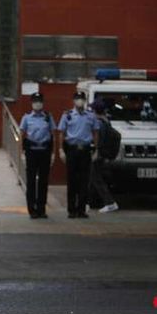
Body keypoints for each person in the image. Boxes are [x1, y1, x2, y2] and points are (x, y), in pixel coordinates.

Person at [57, 91, 99, 219]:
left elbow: (96, 132)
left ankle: (81, 210)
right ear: (74, 101)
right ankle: (71, 210)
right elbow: (61, 133)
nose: (79, 101)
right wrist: (60, 150)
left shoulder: (91, 116)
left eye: (81, 99)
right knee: (72, 180)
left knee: (84, 181)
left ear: (85, 101)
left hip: (85, 150)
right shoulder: (68, 115)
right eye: (77, 99)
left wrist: (96, 149)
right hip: (72, 150)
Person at [19, 92, 57, 219]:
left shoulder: (48, 117)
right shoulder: (27, 118)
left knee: (43, 181)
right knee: (31, 181)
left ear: (43, 103)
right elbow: (22, 135)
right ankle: (32, 209)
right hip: (32, 151)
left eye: (39, 101)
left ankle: (41, 208)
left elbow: (53, 135)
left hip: (44, 151)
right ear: (32, 103)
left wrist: (53, 153)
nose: (37, 103)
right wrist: (22, 153)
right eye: (35, 101)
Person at [89, 99, 118, 213]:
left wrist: (95, 152)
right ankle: (89, 202)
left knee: (96, 179)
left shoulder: (99, 123)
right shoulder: (106, 121)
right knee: (94, 179)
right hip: (103, 155)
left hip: (98, 155)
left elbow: (99, 141)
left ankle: (110, 203)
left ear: (95, 110)